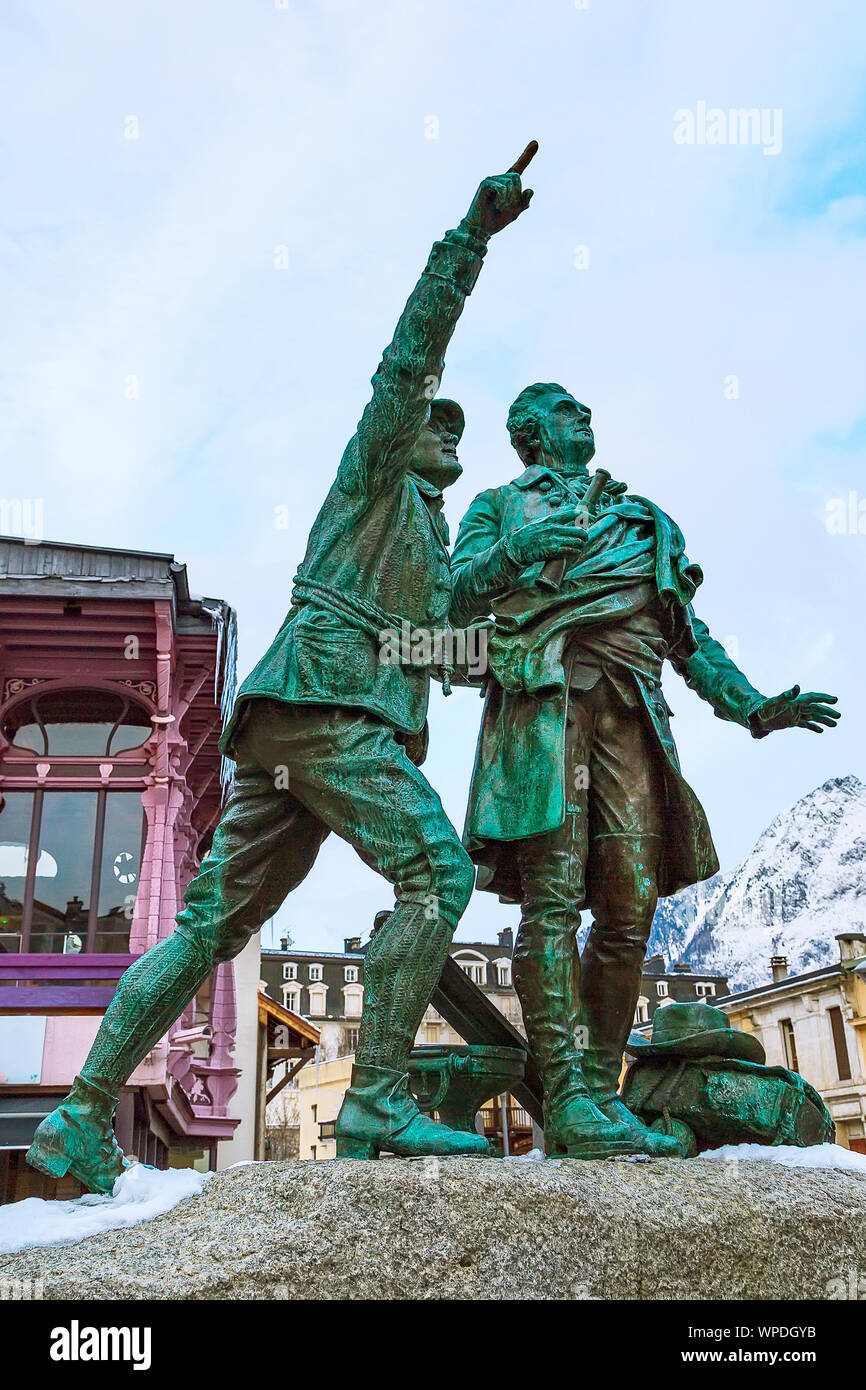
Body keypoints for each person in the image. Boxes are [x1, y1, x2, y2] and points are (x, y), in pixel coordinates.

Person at [27, 163, 533, 1190]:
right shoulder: (375, 463)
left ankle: (78, 1116)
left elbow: (430, 641)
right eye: (441, 426)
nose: (448, 438)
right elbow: (408, 359)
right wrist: (469, 238)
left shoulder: (425, 541)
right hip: (323, 705)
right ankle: (381, 1098)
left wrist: (514, 612)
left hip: (304, 724)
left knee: (211, 925)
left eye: (454, 438)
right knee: (434, 874)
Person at [449, 381, 840, 1158]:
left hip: (632, 713)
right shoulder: (499, 508)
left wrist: (756, 706)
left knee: (630, 909)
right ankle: (565, 1095)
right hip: (544, 709)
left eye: (585, 410)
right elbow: (450, 601)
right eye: (566, 411)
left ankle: (598, 1089)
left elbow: (690, 639)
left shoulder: (644, 521)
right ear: (531, 435)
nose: (584, 417)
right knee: (552, 901)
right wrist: (519, 551)